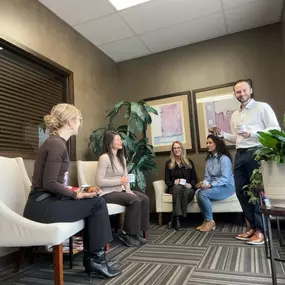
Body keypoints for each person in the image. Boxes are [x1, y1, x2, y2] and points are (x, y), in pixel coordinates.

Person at [23, 104, 121, 279]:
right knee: (98, 203)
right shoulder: (56, 145)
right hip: (41, 205)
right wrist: (77, 194)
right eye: (79, 119)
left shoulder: (56, 143)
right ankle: (95, 260)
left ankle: (95, 259)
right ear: (70, 122)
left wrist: (79, 191)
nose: (80, 123)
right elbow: (50, 183)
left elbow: (55, 183)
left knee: (94, 201)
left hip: (46, 201)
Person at [210, 79, 280, 244]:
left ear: (251, 91)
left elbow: (275, 129)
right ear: (235, 94)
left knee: (256, 193)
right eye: (238, 92)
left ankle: (262, 232)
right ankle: (253, 228)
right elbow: (237, 138)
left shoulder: (262, 107)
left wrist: (252, 133)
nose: (241, 94)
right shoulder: (235, 115)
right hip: (240, 154)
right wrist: (223, 136)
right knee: (241, 192)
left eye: (244, 91)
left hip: (257, 152)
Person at [96, 131, 149, 247]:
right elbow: (99, 181)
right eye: (118, 139)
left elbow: (125, 178)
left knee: (144, 198)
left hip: (120, 190)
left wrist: (129, 191)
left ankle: (136, 233)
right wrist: (119, 182)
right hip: (107, 193)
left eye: (121, 139)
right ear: (110, 143)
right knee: (134, 200)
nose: (121, 141)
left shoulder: (121, 158)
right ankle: (126, 233)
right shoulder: (104, 158)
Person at [195, 135, 235, 232]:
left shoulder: (224, 159)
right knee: (198, 192)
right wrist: (203, 184)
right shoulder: (209, 159)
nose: (207, 145)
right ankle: (206, 220)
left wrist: (211, 185)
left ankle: (210, 221)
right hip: (214, 186)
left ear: (216, 144)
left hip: (226, 187)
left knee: (203, 194)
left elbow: (225, 179)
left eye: (210, 143)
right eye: (207, 143)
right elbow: (207, 177)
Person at [165, 141, 197, 231]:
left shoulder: (189, 162)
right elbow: (167, 181)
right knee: (177, 188)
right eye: (174, 148)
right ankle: (178, 219)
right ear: (172, 150)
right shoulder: (169, 163)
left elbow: (195, 179)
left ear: (182, 149)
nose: (176, 150)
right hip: (174, 188)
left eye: (178, 147)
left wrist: (190, 185)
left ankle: (174, 217)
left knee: (186, 192)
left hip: (187, 188)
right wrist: (174, 182)